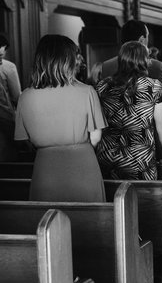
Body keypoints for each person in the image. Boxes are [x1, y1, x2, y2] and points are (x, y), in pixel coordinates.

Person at [15, 35, 106, 201]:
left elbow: (24, 140)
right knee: (89, 221)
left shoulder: (25, 96)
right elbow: (95, 137)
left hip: (45, 167)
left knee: (48, 220)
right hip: (83, 164)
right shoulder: (87, 91)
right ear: (68, 60)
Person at [96, 41, 162, 180]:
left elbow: (97, 123)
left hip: (108, 157)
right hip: (140, 159)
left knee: (110, 200)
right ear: (145, 60)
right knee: (146, 200)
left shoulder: (102, 86)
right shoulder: (154, 86)